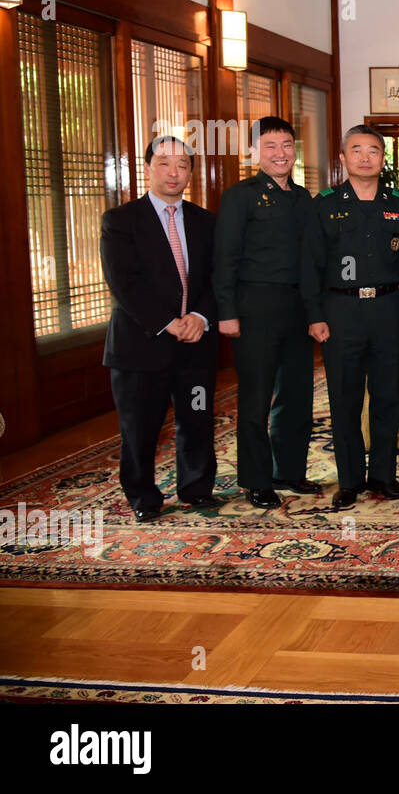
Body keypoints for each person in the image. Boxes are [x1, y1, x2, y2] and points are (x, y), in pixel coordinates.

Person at [100, 136, 218, 522]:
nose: (174, 172)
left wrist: (199, 318)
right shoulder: (121, 221)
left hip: (195, 343)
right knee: (140, 428)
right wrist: (169, 324)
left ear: (190, 173)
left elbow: (216, 279)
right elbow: (124, 283)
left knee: (197, 417)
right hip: (141, 345)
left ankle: (197, 487)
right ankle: (143, 497)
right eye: (165, 163)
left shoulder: (205, 221)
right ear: (148, 166)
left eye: (183, 165)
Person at [301, 125, 399, 510]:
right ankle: (349, 480)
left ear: (383, 159)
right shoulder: (325, 203)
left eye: (373, 151)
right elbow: (311, 265)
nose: (365, 157)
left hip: (388, 309)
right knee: (345, 399)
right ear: (343, 158)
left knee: (389, 398)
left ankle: (383, 475)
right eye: (357, 150)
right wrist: (315, 315)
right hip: (341, 311)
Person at [214, 117, 317, 509]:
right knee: (256, 398)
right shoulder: (240, 196)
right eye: (271, 146)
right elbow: (225, 257)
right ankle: (256, 480)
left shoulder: (304, 198)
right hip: (254, 307)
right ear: (255, 152)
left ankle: (290, 471)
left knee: (296, 395)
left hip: (297, 308)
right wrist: (227, 311)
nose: (280, 153)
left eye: (287, 145)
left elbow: (311, 260)